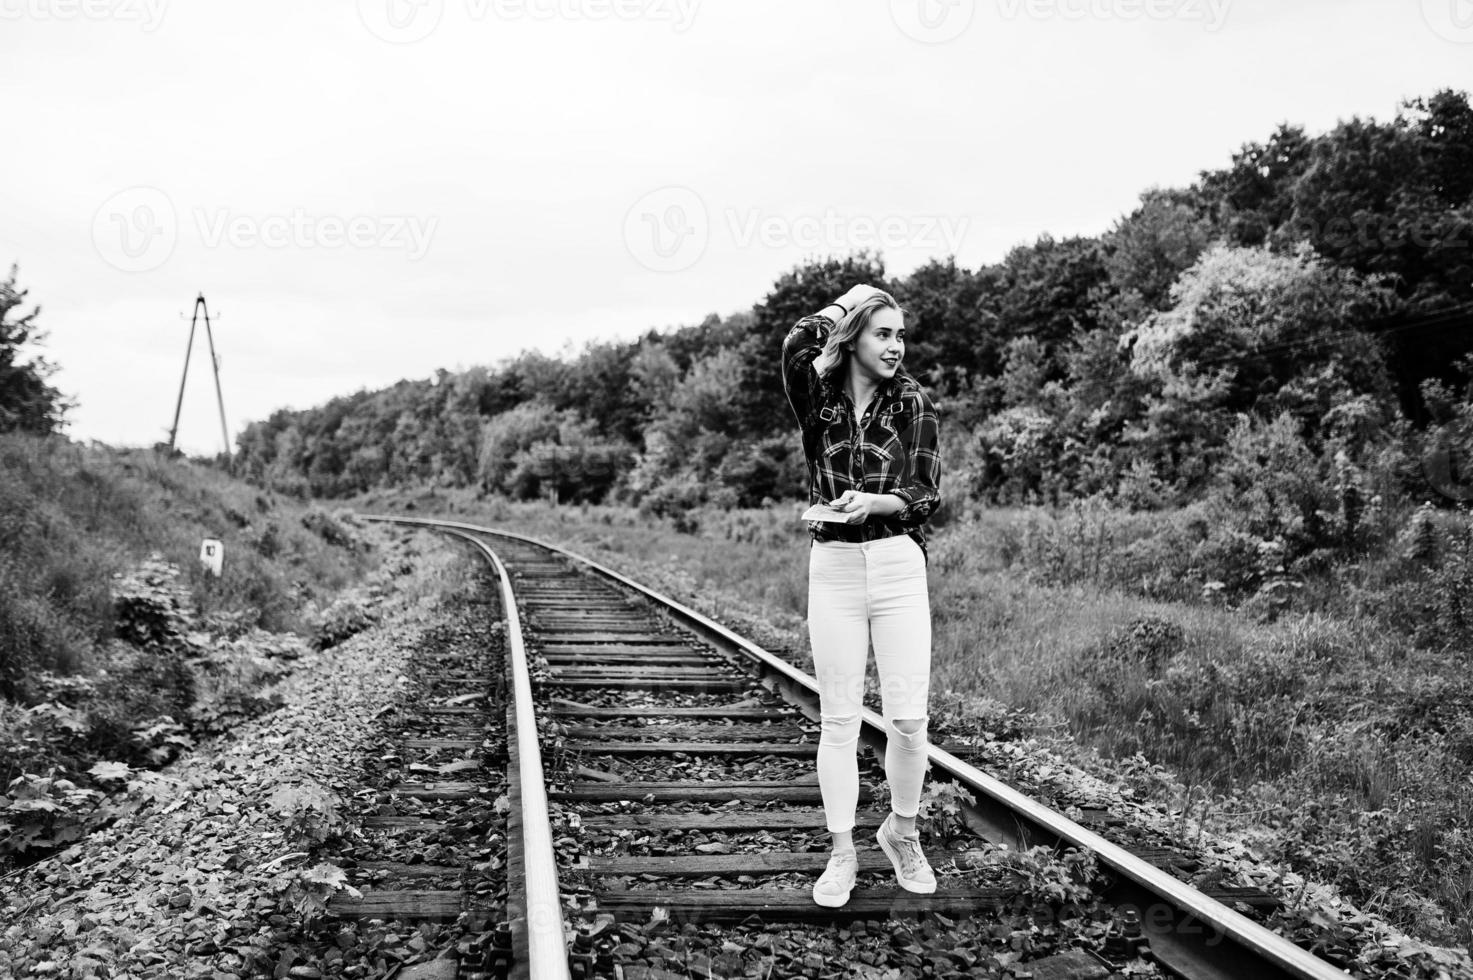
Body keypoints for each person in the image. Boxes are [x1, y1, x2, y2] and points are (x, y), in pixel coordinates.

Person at [780, 283, 942, 908]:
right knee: (840, 718)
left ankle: (902, 831)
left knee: (907, 719)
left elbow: (926, 492)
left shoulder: (914, 403)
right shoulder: (815, 397)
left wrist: (878, 502)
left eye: (901, 335)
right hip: (836, 567)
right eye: (883, 333)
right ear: (852, 338)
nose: (896, 346)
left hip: (899, 563)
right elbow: (797, 343)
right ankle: (842, 852)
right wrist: (851, 299)